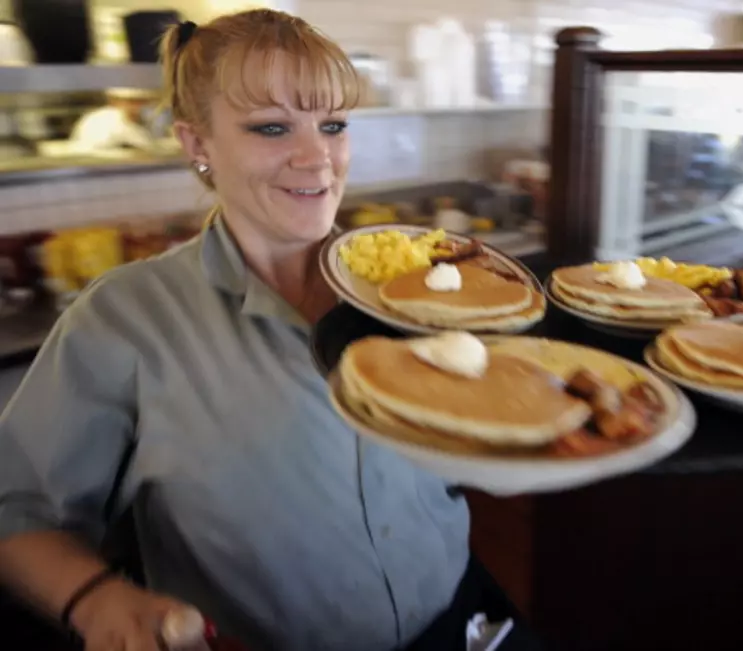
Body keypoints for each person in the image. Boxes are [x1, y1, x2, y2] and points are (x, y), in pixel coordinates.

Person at [0, 10, 536, 651]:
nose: (318, 158)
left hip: (462, 624)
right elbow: (16, 508)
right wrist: (96, 601)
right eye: (272, 127)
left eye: (333, 125)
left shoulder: (411, 288)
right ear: (197, 145)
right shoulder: (127, 320)